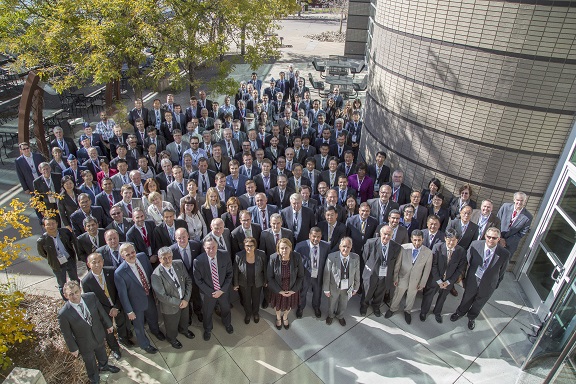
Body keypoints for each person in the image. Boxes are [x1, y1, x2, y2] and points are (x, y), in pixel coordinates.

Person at [58, 281, 120, 384]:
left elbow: (101, 311)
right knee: (90, 361)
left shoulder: (91, 297)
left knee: (102, 352)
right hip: (84, 342)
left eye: (76, 292)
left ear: (80, 290)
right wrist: (73, 348)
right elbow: (67, 333)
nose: (75, 296)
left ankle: (104, 366)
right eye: (71, 294)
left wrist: (108, 324)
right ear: (65, 295)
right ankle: (94, 378)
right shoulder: (63, 313)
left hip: (98, 333)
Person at [450, 227, 510, 330]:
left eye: (494, 238)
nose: (491, 240)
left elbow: (501, 273)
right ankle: (460, 312)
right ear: (485, 236)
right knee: (466, 298)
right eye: (489, 237)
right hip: (473, 280)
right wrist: (463, 278)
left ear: (498, 239)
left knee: (479, 303)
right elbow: (466, 262)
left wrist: (494, 285)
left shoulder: (504, 253)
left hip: (488, 284)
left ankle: (471, 317)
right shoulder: (475, 245)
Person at [114, 243, 165, 354]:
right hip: (135, 304)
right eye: (128, 254)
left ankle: (155, 331)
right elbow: (123, 295)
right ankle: (144, 345)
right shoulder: (120, 273)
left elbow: (151, 273)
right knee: (139, 326)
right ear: (123, 256)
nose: (132, 255)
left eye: (133, 252)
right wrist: (129, 311)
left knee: (153, 316)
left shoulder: (142, 257)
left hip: (149, 296)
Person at [82, 253, 131, 354]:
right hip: (103, 310)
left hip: (117, 305)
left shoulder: (112, 271)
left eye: (99, 261)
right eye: (93, 263)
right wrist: (109, 310)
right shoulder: (86, 281)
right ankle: (114, 348)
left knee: (121, 323)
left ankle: (123, 339)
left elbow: (119, 290)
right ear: (88, 264)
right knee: (108, 330)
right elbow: (91, 300)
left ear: (103, 262)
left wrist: (116, 307)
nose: (97, 265)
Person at [385, 230, 433, 324]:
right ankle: (393, 309)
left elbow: (427, 270)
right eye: (415, 240)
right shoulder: (403, 248)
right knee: (398, 294)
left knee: (411, 296)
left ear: (423, 239)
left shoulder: (428, 253)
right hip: (402, 277)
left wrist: (422, 283)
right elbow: (398, 264)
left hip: (415, 280)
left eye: (419, 240)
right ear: (411, 239)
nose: (417, 243)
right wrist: (395, 278)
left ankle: (407, 311)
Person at [420, 229, 467, 323]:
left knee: (442, 297)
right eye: (449, 239)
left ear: (457, 240)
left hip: (449, 281)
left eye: (454, 240)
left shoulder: (461, 251)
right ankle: (423, 312)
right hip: (435, 279)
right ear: (445, 238)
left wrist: (448, 282)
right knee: (429, 296)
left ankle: (437, 312)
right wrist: (439, 281)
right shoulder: (438, 247)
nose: (451, 242)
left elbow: (459, 269)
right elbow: (433, 265)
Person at [151, 247, 195, 349]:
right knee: (171, 325)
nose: (167, 260)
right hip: (170, 306)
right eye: (164, 258)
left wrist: (186, 299)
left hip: (184, 300)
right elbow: (162, 296)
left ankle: (184, 330)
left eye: (169, 257)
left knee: (184, 319)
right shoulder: (156, 275)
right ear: (159, 258)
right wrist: (179, 302)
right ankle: (172, 338)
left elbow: (188, 280)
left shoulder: (178, 263)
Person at [193, 237, 234, 341]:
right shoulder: (198, 261)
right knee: (207, 312)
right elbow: (198, 280)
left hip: (223, 291)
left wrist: (222, 290)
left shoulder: (224, 255)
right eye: (208, 248)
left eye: (213, 247)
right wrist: (211, 292)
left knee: (226, 309)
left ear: (217, 246)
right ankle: (207, 329)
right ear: (204, 248)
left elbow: (229, 274)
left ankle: (227, 323)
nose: (211, 250)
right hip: (208, 293)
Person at [361, 225, 402, 316]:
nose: (387, 237)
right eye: (385, 234)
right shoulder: (371, 243)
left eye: (389, 235)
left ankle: (376, 306)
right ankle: (364, 306)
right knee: (368, 291)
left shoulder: (396, 247)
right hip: (372, 274)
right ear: (380, 233)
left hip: (385, 274)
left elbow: (394, 261)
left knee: (380, 292)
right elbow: (365, 257)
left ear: (392, 235)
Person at [37, 217, 80, 300]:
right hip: (57, 264)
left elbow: (73, 241)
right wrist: (52, 258)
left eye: (53, 223)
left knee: (75, 279)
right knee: (62, 283)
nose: (51, 226)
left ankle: (78, 295)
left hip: (69, 259)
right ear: (44, 226)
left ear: (57, 223)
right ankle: (67, 300)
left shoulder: (65, 232)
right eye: (48, 224)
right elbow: (42, 253)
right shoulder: (42, 241)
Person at [267, 238, 304, 330]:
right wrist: (279, 291)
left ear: (290, 248)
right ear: (278, 249)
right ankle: (279, 317)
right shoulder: (273, 258)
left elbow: (301, 276)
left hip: (291, 288)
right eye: (282, 248)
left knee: (289, 305)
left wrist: (293, 290)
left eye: (286, 248)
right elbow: (269, 277)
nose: (284, 250)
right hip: (278, 289)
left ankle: (285, 316)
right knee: (278, 306)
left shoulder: (297, 257)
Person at [323, 237, 360, 326]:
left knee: (344, 303)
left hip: (347, 287)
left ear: (351, 248)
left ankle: (340, 316)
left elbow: (357, 273)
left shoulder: (355, 257)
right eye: (344, 246)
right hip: (334, 286)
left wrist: (356, 287)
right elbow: (326, 274)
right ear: (339, 246)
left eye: (348, 247)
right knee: (332, 302)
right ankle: (331, 315)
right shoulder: (331, 257)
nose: (345, 249)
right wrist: (326, 289)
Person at [294, 227, 330, 319]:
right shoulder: (300, 246)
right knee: (303, 292)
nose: (316, 239)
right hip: (305, 275)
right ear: (309, 235)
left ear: (321, 236)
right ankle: (301, 307)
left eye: (318, 237)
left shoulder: (326, 246)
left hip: (318, 275)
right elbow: (295, 262)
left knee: (317, 293)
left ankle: (316, 307)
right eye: (314, 236)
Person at [233, 237, 267, 324]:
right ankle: (248, 314)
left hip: (257, 282)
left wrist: (266, 281)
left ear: (255, 246)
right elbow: (235, 271)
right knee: (246, 300)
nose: (249, 248)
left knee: (256, 299)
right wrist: (236, 284)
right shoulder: (238, 255)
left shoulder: (261, 254)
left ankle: (255, 313)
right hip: (244, 283)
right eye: (247, 246)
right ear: (244, 246)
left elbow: (265, 269)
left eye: (251, 246)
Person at [497, 191, 532, 256]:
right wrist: (499, 238)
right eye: (517, 200)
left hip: (509, 245)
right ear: (514, 199)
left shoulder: (528, 217)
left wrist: (505, 242)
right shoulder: (505, 207)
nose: (519, 202)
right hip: (495, 239)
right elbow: (497, 221)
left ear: (525, 201)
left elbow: (521, 233)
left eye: (522, 200)